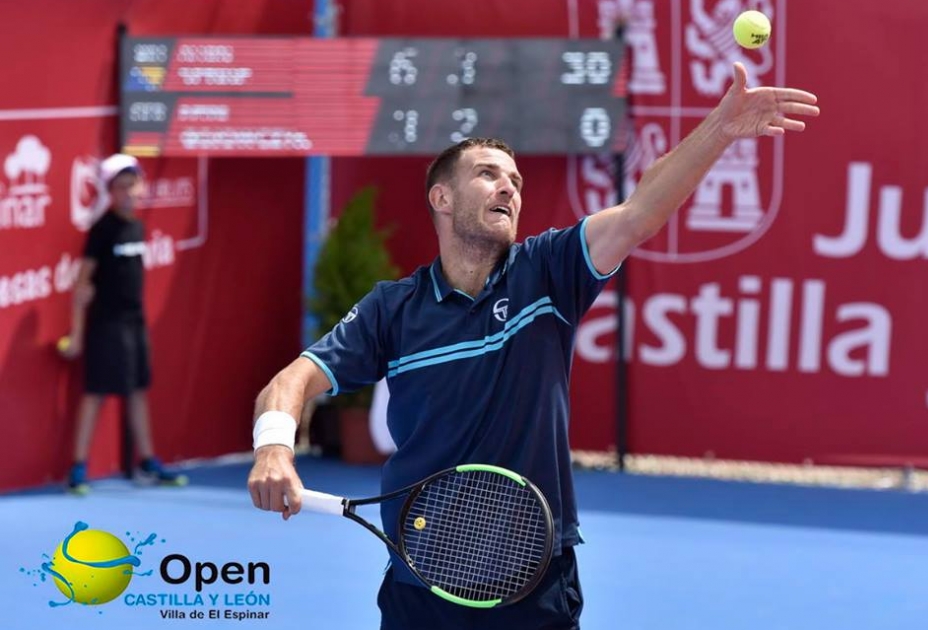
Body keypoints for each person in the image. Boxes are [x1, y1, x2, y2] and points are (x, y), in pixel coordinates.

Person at [247, 63, 819, 629]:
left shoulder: (549, 271)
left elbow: (641, 212)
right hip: (419, 583)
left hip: (536, 583)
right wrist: (274, 448)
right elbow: (291, 381)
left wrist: (720, 128)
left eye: (516, 182)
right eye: (490, 175)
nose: (509, 188)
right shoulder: (390, 310)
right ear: (442, 199)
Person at [61, 153, 187, 494]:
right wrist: (76, 334)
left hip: (134, 323)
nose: (129, 193)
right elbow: (82, 285)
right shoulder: (101, 230)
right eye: (121, 187)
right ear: (110, 191)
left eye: (133, 185)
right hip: (105, 324)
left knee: (136, 391)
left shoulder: (137, 226)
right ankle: (78, 467)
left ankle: (147, 460)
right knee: (95, 394)